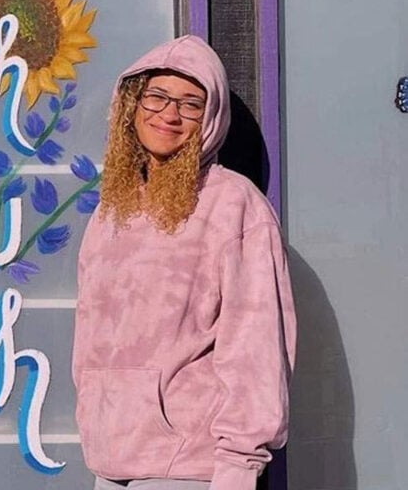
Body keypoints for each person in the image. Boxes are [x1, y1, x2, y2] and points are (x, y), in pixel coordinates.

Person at [72, 35, 297, 490]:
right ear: (132, 105)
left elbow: (255, 347)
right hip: (110, 464)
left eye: (191, 104)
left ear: (210, 120)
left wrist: (238, 468)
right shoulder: (112, 207)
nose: (169, 114)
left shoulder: (234, 204)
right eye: (157, 96)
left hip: (190, 467)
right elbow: (91, 334)